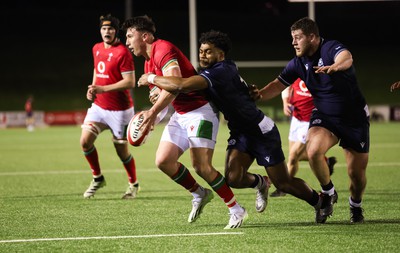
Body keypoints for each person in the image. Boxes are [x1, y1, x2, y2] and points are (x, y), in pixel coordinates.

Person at [138, 30, 324, 223]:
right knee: (233, 178)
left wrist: (151, 78)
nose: (203, 55)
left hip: (261, 131)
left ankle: (320, 201)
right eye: (201, 51)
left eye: (208, 51)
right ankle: (261, 183)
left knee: (284, 183)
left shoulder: (221, 70)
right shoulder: (212, 73)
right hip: (240, 132)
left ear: (221, 55)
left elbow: (182, 85)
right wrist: (160, 90)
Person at [122, 16, 254, 229]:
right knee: (164, 161)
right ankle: (199, 193)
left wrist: (153, 112)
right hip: (181, 114)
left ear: (144, 35)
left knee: (201, 166)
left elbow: (176, 86)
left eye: (130, 36)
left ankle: (236, 209)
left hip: (201, 112)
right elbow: (166, 95)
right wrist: (156, 114)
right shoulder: (148, 61)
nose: (127, 42)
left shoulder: (162, 49)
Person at [254, 17, 369, 224]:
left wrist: (336, 67)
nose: (293, 42)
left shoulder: (330, 48)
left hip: (354, 118)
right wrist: (258, 95)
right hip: (325, 116)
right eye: (292, 38)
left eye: (298, 38)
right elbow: (277, 85)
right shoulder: (297, 63)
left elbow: (347, 57)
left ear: (313, 37)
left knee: (357, 176)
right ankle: (329, 192)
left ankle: (356, 206)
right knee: (313, 150)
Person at [80, 14, 139, 199]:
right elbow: (97, 70)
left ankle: (133, 183)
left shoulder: (123, 52)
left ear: (116, 31)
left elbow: (130, 82)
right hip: (99, 107)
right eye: (104, 28)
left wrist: (103, 88)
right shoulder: (96, 48)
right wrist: (93, 89)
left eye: (111, 29)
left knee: (121, 151)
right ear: (100, 30)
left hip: (120, 111)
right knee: (85, 142)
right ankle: (97, 178)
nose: (107, 32)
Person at [269, 78, 337, 197]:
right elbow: (285, 85)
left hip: (310, 121)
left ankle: (283, 188)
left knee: (293, 156)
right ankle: (326, 161)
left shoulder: (318, 72)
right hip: (296, 118)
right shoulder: (296, 68)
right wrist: (285, 102)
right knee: (295, 157)